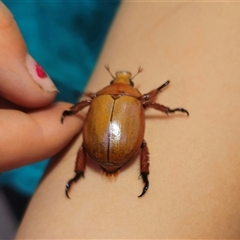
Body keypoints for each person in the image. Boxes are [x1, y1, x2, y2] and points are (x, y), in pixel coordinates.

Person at [1, 2, 240, 238]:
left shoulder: (96, 98)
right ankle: (140, 174)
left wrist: (72, 111)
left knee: (85, 145)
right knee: (142, 144)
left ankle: (79, 174)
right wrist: (167, 106)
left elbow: (85, 101)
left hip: (68, 153)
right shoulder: (139, 99)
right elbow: (151, 99)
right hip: (112, 149)